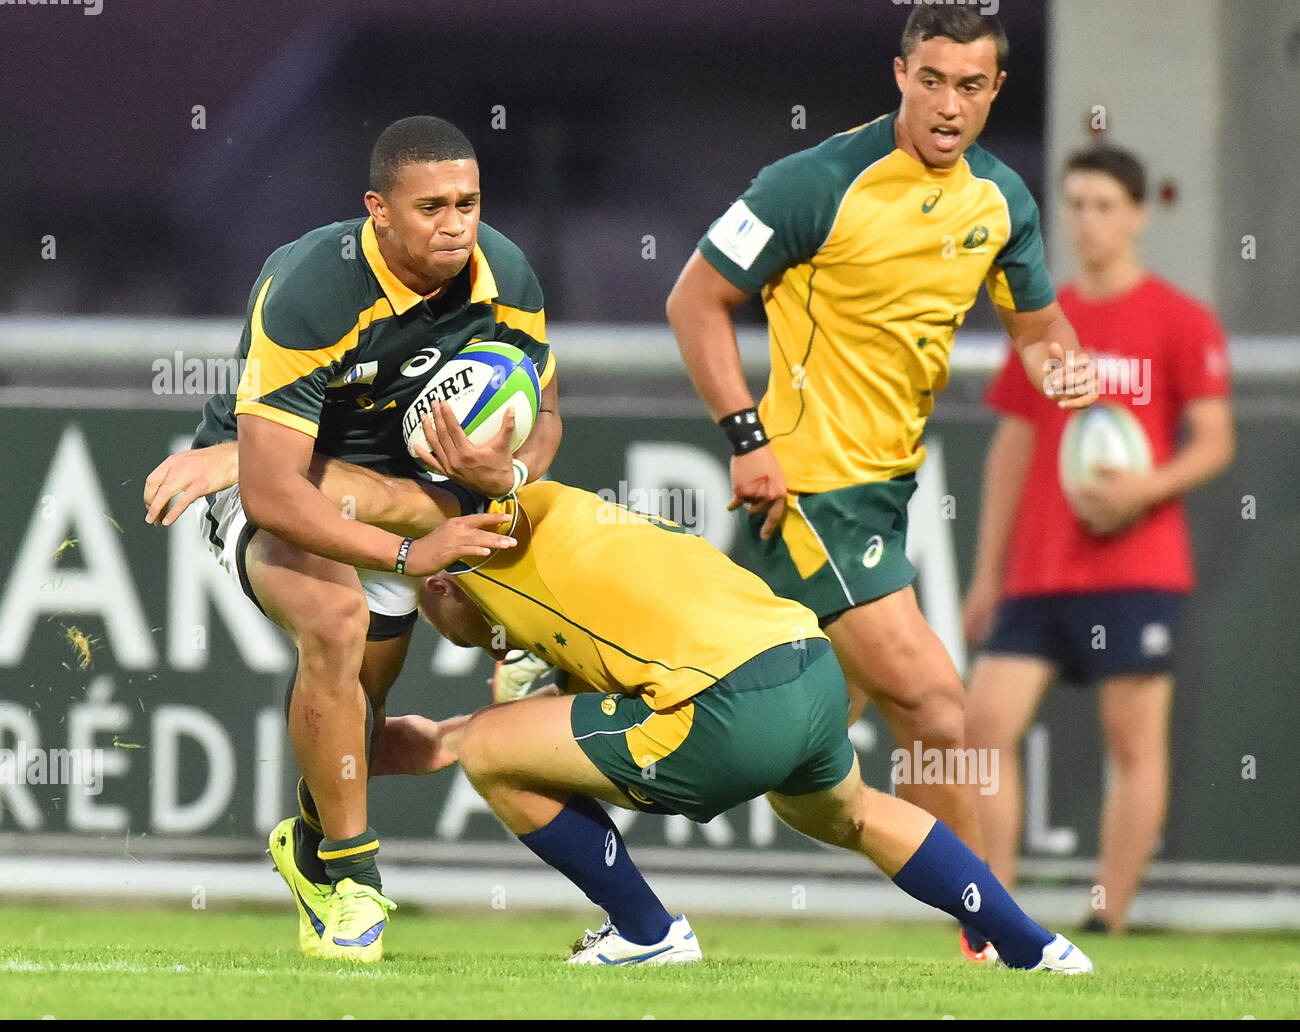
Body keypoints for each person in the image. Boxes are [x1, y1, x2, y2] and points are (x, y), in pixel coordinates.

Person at [265, 441, 1094, 973]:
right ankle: (1036, 946)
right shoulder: (581, 531)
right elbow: (481, 733)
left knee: (487, 753)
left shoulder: (482, 540)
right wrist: (344, 751)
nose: (469, 637)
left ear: (440, 579)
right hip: (806, 669)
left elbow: (370, 497)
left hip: (726, 707)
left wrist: (238, 458)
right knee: (853, 814)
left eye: (433, 604)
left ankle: (647, 930)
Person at [665, 7, 1096, 962]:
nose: (948, 105)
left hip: (885, 498)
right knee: (941, 707)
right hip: (810, 494)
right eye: (932, 80)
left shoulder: (1001, 200)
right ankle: (1001, 939)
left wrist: (1068, 365)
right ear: (900, 74)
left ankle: (570, 733)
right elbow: (693, 296)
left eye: (970, 87)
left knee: (777, 751)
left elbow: (1037, 327)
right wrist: (746, 437)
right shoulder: (813, 182)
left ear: (995, 92)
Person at [142, 115, 562, 961]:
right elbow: (273, 487)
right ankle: (355, 883)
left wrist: (505, 474)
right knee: (334, 625)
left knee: (366, 718)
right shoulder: (313, 288)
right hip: (280, 481)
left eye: (469, 203)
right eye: (433, 206)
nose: (456, 224)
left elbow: (545, 415)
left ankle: (311, 839)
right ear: (378, 210)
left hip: (405, 491)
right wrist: (411, 556)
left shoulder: (504, 273)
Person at [961, 145, 1235, 935]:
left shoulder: (1180, 319)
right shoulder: (1044, 319)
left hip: (1136, 567)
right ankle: (996, 910)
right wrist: (988, 574)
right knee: (984, 731)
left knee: (1134, 742)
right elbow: (1012, 448)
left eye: (1105, 204)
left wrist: (1141, 492)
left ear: (1139, 214)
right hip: (1040, 570)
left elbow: (1214, 441)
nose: (1087, 220)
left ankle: (1106, 916)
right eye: (1074, 204)